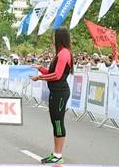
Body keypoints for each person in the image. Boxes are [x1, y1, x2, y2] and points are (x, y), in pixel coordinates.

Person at [30, 27, 73, 164]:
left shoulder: (64, 53)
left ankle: (58, 155)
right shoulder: (60, 53)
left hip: (60, 92)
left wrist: (40, 78)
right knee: (55, 122)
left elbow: (57, 75)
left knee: (58, 122)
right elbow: (51, 71)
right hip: (56, 92)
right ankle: (55, 153)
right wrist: (40, 69)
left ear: (58, 38)